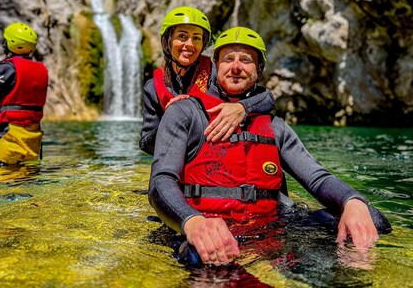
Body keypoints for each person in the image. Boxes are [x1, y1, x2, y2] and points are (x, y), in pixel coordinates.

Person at [148, 26, 391, 266]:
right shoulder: (185, 112)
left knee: (372, 219)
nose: (235, 67)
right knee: (198, 255)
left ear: (259, 69)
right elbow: (161, 181)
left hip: (270, 227)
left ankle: (339, 283)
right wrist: (192, 221)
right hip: (207, 225)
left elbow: (316, 178)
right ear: (216, 65)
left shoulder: (275, 127)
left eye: (246, 60)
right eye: (228, 59)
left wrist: (351, 200)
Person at [139, 6, 275, 155]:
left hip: (222, 153)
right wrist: (174, 117)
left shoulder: (217, 73)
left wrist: (242, 107)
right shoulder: (153, 87)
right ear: (167, 41)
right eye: (182, 36)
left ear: (203, 44)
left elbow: (266, 98)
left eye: (196, 38)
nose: (189, 44)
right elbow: (146, 143)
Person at [0, 22, 48, 166]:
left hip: (8, 135)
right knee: (25, 180)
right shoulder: (41, 69)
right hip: (33, 139)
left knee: (1, 183)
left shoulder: (7, 68)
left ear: (9, 43)